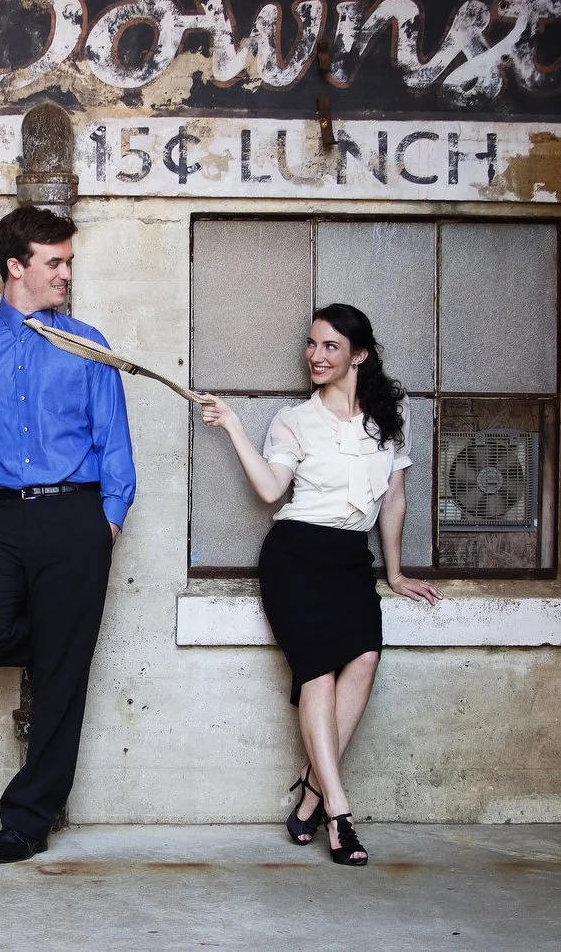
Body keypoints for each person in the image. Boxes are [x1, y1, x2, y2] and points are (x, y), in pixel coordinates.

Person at [0, 205, 135, 864]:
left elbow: (113, 438)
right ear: (16, 267)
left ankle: (26, 821)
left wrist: (108, 519)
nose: (66, 274)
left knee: (61, 685)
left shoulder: (87, 343)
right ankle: (61, 648)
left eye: (69, 261)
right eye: (55, 262)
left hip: (76, 517)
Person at [198, 303, 440, 867]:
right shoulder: (294, 419)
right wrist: (233, 425)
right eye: (311, 344)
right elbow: (270, 490)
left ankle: (309, 790)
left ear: (359, 354)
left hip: (351, 559)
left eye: (330, 346)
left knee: (365, 659)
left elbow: (394, 499)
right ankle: (338, 810)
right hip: (296, 557)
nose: (316, 355)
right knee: (318, 674)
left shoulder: (391, 414)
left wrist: (395, 572)